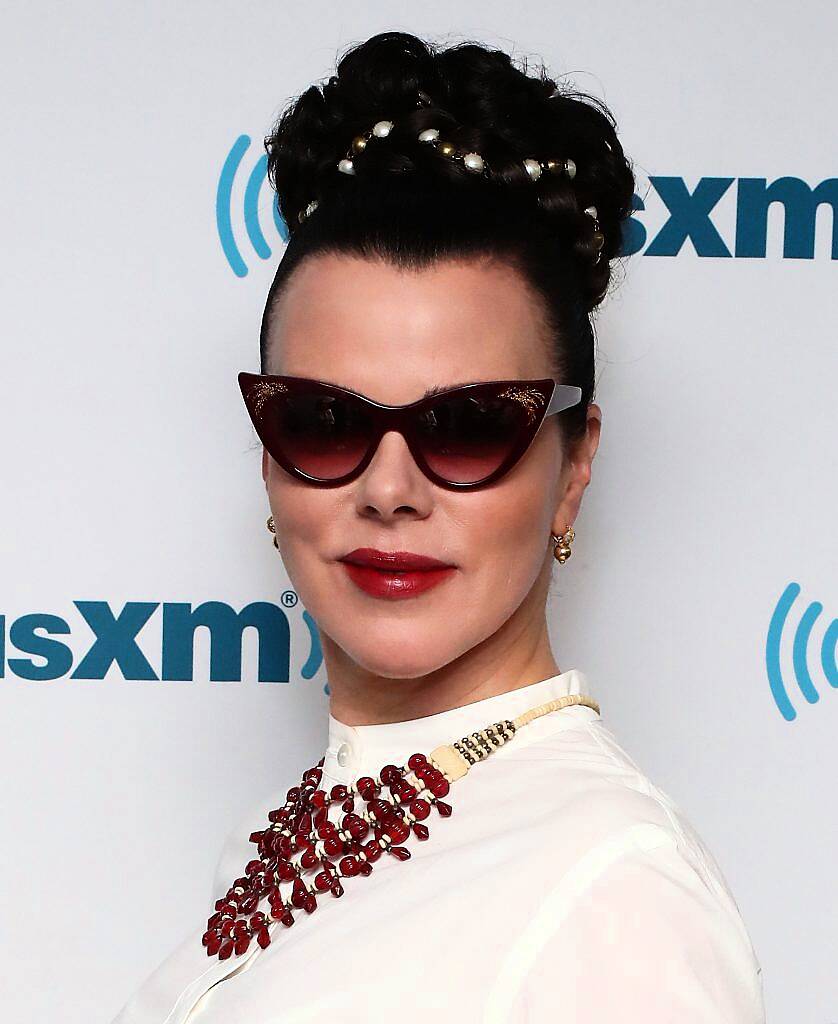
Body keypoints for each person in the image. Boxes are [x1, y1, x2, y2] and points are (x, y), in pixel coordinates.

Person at [112, 29, 765, 1023]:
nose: (388, 487)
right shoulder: (274, 840)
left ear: (572, 464)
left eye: (466, 426)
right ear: (266, 448)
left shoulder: (612, 892)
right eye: (322, 419)